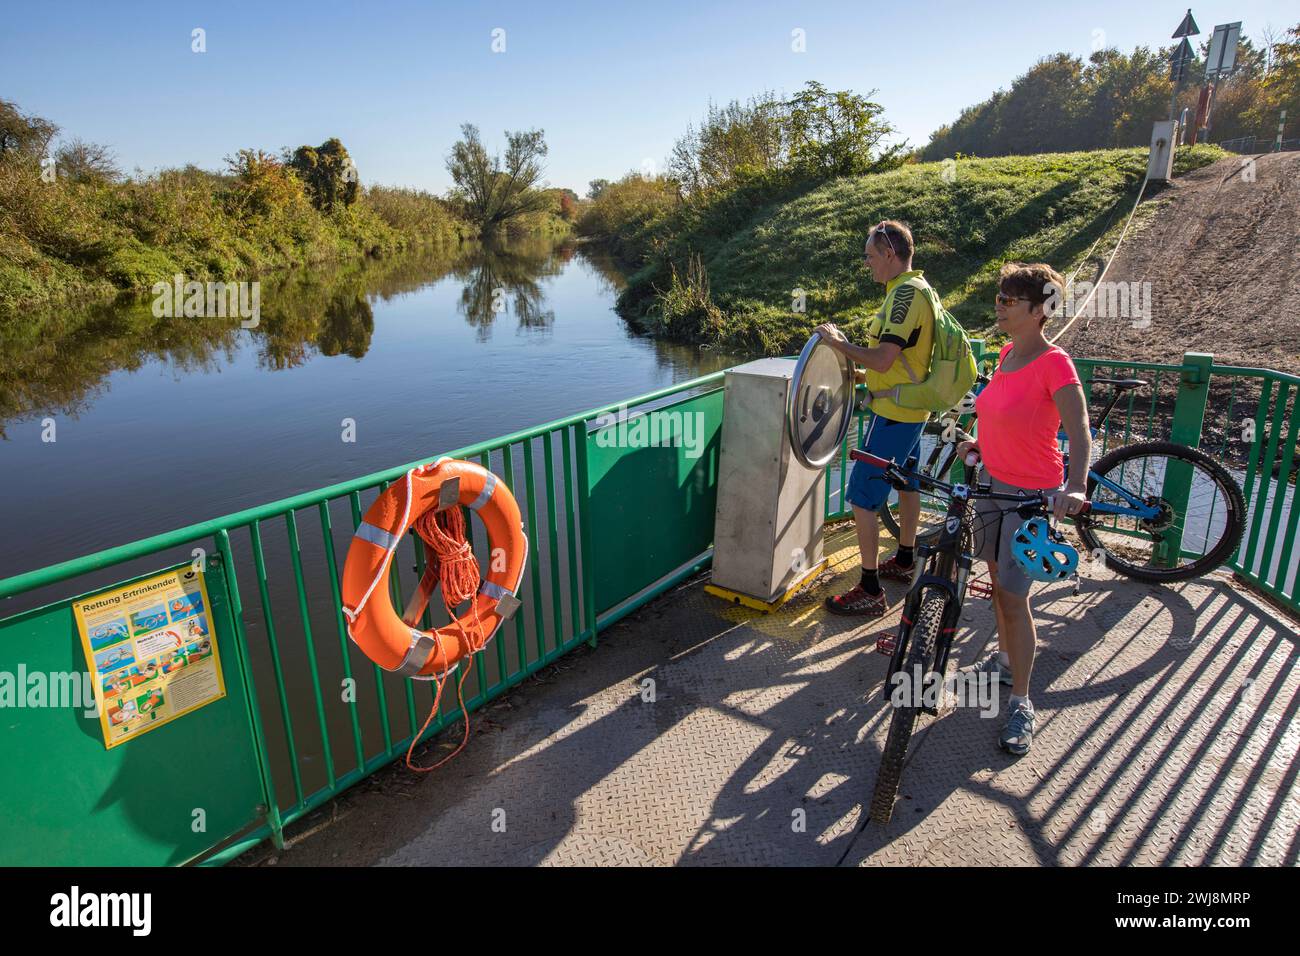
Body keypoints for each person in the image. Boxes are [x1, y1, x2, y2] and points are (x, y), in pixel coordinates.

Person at [956, 262, 1091, 756]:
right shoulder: (1009, 353)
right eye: (999, 297)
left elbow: (1079, 433)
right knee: (996, 585)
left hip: (1031, 495)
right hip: (990, 483)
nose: (999, 306)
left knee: (1015, 598)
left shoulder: (1056, 364)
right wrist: (976, 444)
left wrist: (1074, 486)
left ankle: (1020, 701)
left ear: (1039, 310)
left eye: (1009, 300)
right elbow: (999, 417)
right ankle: (1004, 661)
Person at [814, 220, 936, 617]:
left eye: (870, 256)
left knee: (861, 499)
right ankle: (904, 558)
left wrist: (837, 344)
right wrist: (860, 372)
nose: (867, 264)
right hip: (912, 409)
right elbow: (899, 362)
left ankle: (869, 589)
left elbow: (884, 356)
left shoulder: (904, 295)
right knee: (908, 485)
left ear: (889, 253)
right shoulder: (919, 289)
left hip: (895, 415)